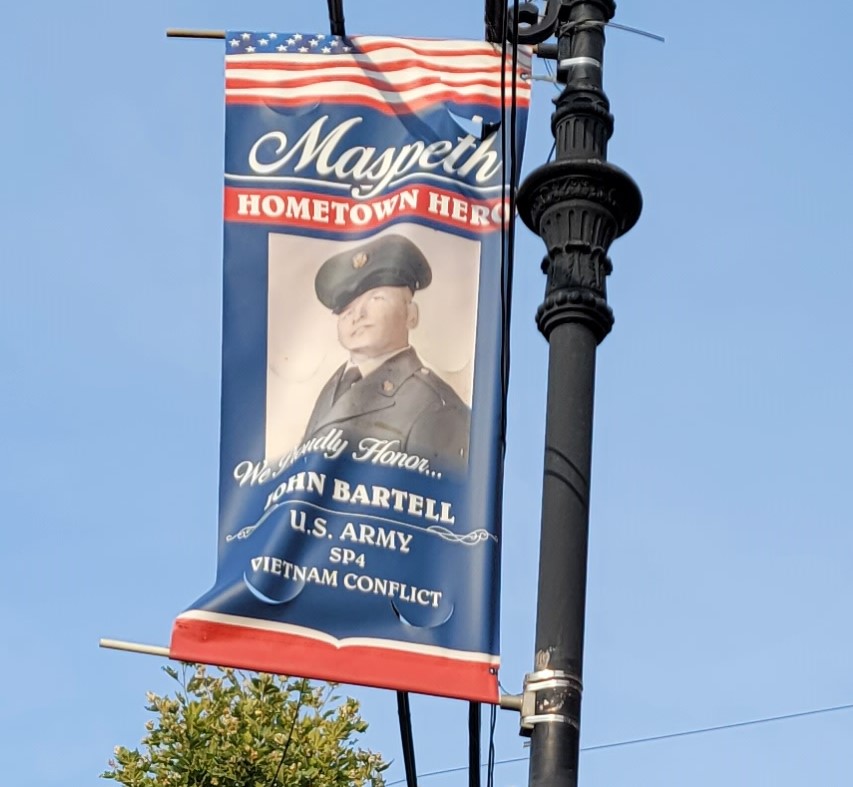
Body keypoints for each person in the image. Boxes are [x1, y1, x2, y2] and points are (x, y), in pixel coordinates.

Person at [302, 234, 471, 475]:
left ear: (411, 315)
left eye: (376, 299)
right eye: (346, 309)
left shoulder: (436, 406)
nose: (357, 315)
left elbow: (437, 502)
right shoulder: (333, 388)